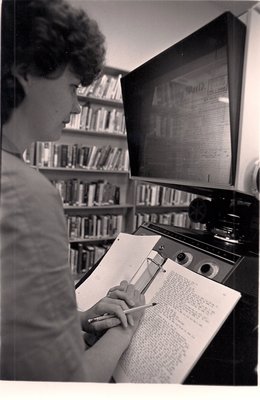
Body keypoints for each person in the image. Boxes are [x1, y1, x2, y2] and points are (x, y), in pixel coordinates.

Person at [0, 0, 145, 382]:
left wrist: (77, 319)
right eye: (72, 87)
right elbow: (69, 385)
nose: (78, 107)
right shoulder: (23, 193)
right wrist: (123, 330)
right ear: (26, 72)